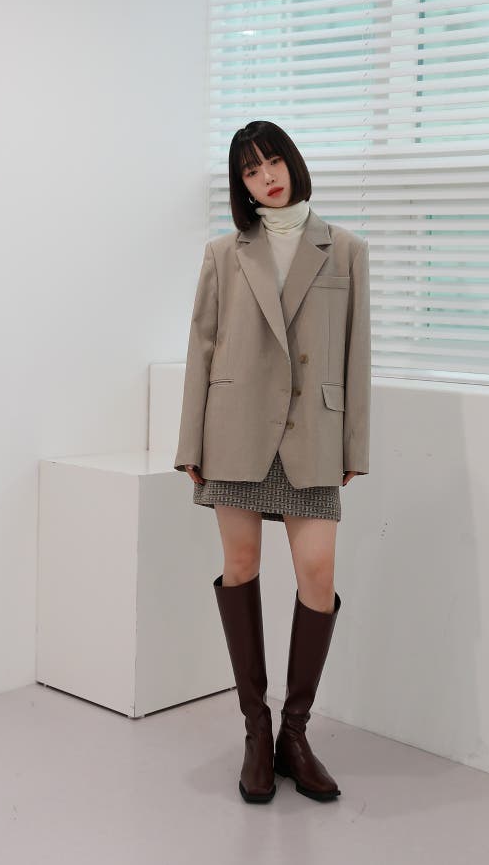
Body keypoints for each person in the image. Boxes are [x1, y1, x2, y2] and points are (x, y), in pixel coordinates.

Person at [173, 120, 371, 804]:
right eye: (251, 170)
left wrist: (355, 444)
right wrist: (190, 444)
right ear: (242, 184)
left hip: (311, 433)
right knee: (241, 568)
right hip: (234, 430)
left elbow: (357, 351)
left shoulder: (345, 249)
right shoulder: (223, 254)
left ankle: (295, 733)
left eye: (274, 162)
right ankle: (257, 732)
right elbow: (201, 348)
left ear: (293, 163)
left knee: (317, 574)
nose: (267, 178)